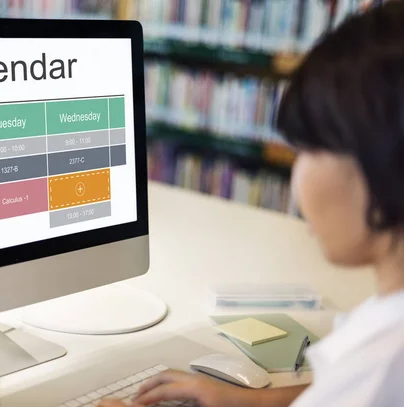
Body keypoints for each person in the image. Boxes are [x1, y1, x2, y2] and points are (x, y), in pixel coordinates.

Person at [98, 2, 404, 406]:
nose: (299, 178)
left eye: (307, 150)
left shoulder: (381, 363)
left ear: (379, 159)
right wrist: (256, 402)